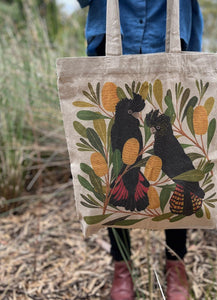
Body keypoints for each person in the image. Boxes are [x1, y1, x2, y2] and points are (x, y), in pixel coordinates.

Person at [77, 1, 204, 299]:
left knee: (179, 157)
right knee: (115, 163)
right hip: (111, 33)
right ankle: (121, 266)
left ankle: (176, 264)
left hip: (172, 29)